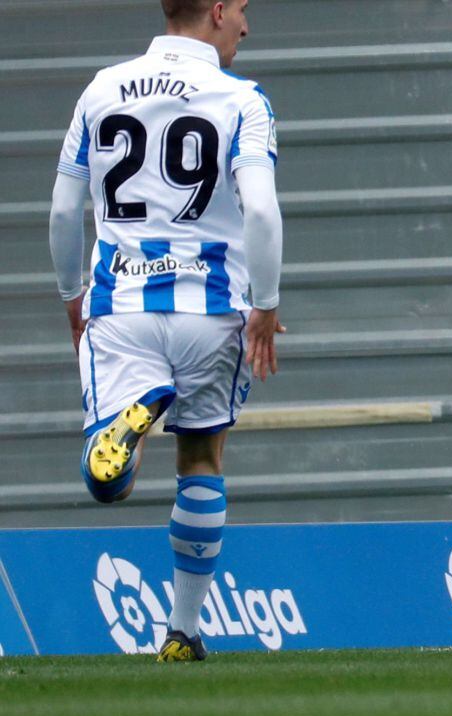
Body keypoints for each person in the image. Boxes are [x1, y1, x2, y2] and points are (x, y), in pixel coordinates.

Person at [48, 0, 283, 661]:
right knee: (202, 460)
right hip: (211, 311)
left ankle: (130, 415)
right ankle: (182, 632)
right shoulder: (243, 99)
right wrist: (264, 304)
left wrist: (73, 296)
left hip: (120, 304)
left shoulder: (101, 88)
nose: (246, 23)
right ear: (214, 11)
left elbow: (66, 209)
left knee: (110, 483)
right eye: (241, 9)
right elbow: (261, 212)